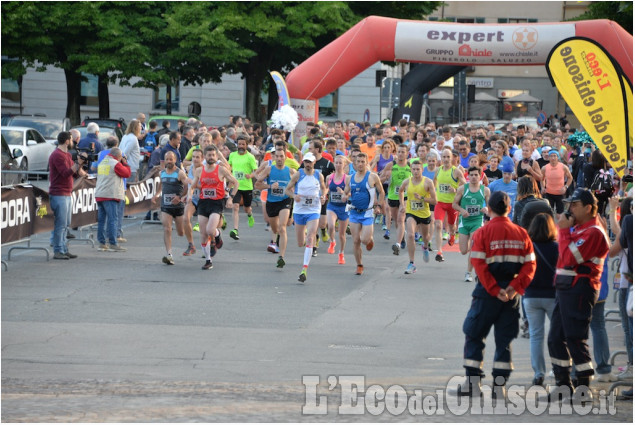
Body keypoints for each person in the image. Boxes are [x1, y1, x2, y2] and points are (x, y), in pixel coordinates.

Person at [450, 191, 536, 399]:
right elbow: (530, 265)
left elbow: (478, 264)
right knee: (504, 341)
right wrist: (513, 288)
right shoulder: (521, 234)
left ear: (488, 209)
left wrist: (495, 290)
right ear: (509, 208)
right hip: (510, 296)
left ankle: (473, 384)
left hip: (487, 294)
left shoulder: (482, 233)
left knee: (474, 335)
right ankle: (499, 387)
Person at [547, 188, 610, 401]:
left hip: (580, 289)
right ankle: (563, 385)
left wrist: (563, 231)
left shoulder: (594, 232)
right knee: (555, 338)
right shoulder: (579, 227)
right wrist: (566, 230)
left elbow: (567, 257)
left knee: (575, 338)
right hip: (566, 289)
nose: (569, 209)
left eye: (574, 205)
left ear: (588, 208)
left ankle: (583, 389)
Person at [523, 213, 558, 387]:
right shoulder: (557, 247)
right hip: (553, 296)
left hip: (531, 296)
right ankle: (559, 369)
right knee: (558, 334)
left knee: (536, 336)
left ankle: (539, 373)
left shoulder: (529, 247)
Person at [191, 146, 239, 270]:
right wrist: (188, 195)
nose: (211, 157)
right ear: (204, 157)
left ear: (216, 157)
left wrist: (230, 198)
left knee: (210, 230)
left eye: (213, 155)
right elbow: (193, 185)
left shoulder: (221, 170)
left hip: (216, 203)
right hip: (203, 202)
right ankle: (208, 260)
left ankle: (217, 235)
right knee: (203, 234)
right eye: (209, 155)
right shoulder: (199, 170)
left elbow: (235, 182)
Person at [285, 152, 327, 283]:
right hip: (299, 210)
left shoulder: (318, 175)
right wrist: (294, 196)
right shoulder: (299, 174)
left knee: (310, 237)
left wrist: (323, 196)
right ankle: (306, 237)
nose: (307, 164)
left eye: (310, 162)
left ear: (314, 162)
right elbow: (287, 189)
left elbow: (324, 188)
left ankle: (304, 269)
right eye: (306, 162)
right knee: (300, 243)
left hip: (314, 209)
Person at [344, 152, 385, 276]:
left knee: (364, 239)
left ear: (367, 163)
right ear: (354, 163)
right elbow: (346, 192)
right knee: (356, 240)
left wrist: (378, 206)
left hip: (367, 213)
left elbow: (381, 192)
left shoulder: (372, 177)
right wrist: (343, 195)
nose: (360, 164)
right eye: (358, 162)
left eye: (363, 162)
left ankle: (369, 240)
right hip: (354, 213)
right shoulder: (350, 178)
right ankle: (359, 265)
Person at [48, 131, 87, 259]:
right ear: (66, 141)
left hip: (67, 193)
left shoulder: (67, 155)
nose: (73, 142)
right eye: (71, 140)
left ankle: (64, 248)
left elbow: (74, 173)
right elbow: (65, 173)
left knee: (66, 223)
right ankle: (58, 250)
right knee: (61, 223)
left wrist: (81, 165)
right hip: (59, 193)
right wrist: (78, 162)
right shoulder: (57, 155)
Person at [608, 196, 633, 388]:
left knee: (629, 328)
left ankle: (632, 365)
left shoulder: (628, 225)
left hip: (628, 283)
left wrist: (611, 212)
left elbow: (614, 246)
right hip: (626, 283)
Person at [257, 149, 296, 268]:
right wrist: (269, 186)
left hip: (285, 201)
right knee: (275, 229)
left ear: (285, 158)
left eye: (281, 156)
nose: (279, 159)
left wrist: (294, 192)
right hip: (272, 202)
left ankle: (281, 257)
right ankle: (277, 237)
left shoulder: (291, 171)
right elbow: (257, 185)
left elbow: (299, 184)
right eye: (277, 156)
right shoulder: (269, 170)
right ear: (274, 158)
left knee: (282, 227)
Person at [453, 166, 491, 282]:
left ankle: (468, 272)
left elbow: (490, 206)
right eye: (472, 175)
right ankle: (473, 249)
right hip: (464, 222)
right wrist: (462, 210)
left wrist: (486, 208)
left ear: (480, 176)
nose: (474, 177)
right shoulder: (462, 189)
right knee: (464, 250)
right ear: (468, 176)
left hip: (477, 221)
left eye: (476, 175)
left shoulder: (485, 190)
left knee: (474, 247)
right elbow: (454, 204)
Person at [398, 160, 436, 274]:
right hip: (411, 212)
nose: (415, 171)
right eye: (413, 169)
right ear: (411, 170)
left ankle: (425, 246)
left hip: (424, 214)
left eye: (418, 169)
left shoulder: (428, 182)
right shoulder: (407, 182)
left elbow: (435, 201)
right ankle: (411, 263)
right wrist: (402, 204)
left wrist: (422, 198)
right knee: (410, 235)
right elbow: (400, 191)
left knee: (425, 237)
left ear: (422, 170)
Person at [433, 148, 466, 262]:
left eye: (448, 157)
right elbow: (434, 182)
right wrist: (433, 193)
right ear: (441, 158)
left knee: (452, 227)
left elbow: (465, 185)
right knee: (438, 225)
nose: (446, 159)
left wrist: (456, 189)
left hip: (452, 204)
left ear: (452, 158)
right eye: (444, 157)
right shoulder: (438, 170)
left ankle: (452, 234)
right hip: (440, 203)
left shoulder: (455, 171)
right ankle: (439, 251)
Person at [94, 147, 130, 253]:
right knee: (112, 219)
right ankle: (113, 243)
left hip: (100, 194)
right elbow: (127, 173)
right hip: (110, 195)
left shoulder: (103, 162)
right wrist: (125, 163)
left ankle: (101, 243)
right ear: (119, 156)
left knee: (101, 220)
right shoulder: (115, 163)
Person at [156, 151, 189, 265]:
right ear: (164, 160)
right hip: (165, 206)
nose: (169, 161)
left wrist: (179, 197)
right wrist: (156, 194)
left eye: (171, 159)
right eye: (167, 159)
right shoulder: (162, 173)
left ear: (175, 160)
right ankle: (169, 254)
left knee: (181, 233)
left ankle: (181, 230)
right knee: (167, 229)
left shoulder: (180, 173)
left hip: (178, 206)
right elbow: (161, 184)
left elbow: (187, 186)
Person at [382, 144, 411, 254]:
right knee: (396, 221)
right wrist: (386, 177)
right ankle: (402, 237)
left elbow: (417, 180)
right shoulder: (390, 165)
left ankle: (398, 244)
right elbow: (380, 179)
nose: (400, 154)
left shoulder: (410, 165)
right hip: (392, 196)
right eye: (399, 151)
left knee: (400, 219)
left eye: (403, 152)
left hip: (405, 197)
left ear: (407, 153)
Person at [228, 135, 259, 240]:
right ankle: (235, 229)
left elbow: (256, 171)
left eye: (243, 144)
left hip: (247, 186)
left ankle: (250, 215)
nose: (241, 146)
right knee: (235, 207)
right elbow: (229, 167)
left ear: (246, 145)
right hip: (236, 186)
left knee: (246, 208)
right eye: (239, 144)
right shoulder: (232, 155)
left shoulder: (250, 157)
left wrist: (250, 175)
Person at [325, 155, 350, 265]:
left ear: (344, 165)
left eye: (340, 163)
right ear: (334, 164)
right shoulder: (329, 177)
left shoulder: (348, 178)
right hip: (332, 206)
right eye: (337, 163)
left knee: (342, 234)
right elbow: (326, 188)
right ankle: (332, 241)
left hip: (344, 208)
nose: (338, 165)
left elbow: (351, 194)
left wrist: (344, 193)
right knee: (330, 225)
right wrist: (323, 195)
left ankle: (341, 253)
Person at [182, 148, 203, 256]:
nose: (195, 159)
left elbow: (206, 187)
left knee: (207, 228)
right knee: (185, 218)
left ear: (202, 158)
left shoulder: (205, 170)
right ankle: (191, 245)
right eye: (193, 157)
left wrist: (194, 184)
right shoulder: (190, 168)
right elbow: (190, 185)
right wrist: (187, 195)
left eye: (197, 157)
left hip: (205, 199)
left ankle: (213, 241)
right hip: (193, 198)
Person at [541, 150, 573, 217]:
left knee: (559, 215)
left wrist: (565, 187)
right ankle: (550, 227)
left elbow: (570, 178)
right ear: (549, 158)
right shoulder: (545, 168)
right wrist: (543, 187)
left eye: (555, 156)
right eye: (551, 156)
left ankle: (559, 227)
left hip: (560, 193)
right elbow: (542, 179)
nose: (553, 158)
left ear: (557, 157)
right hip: (549, 193)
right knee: (549, 214)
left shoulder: (563, 167)